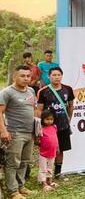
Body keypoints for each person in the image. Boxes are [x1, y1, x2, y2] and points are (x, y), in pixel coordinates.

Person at [0, 65, 37, 198]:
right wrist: (3, 131)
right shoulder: (7, 92)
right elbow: (0, 112)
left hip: (30, 132)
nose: (26, 78)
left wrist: (37, 127)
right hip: (15, 133)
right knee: (12, 163)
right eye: (22, 76)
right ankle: (13, 191)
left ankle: (21, 187)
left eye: (28, 76)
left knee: (24, 161)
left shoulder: (31, 91)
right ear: (15, 76)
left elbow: (33, 110)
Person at [36, 67, 75, 178]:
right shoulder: (43, 91)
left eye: (59, 75)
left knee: (61, 149)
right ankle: (46, 174)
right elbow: (39, 110)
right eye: (54, 75)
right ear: (49, 76)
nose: (56, 77)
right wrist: (40, 127)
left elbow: (71, 106)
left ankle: (58, 173)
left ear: (62, 76)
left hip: (63, 126)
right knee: (47, 150)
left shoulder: (68, 89)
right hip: (48, 128)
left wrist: (69, 119)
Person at [37, 109, 58, 192]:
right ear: (43, 119)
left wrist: (57, 148)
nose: (49, 121)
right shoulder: (41, 129)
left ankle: (49, 181)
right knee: (43, 168)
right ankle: (43, 182)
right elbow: (38, 139)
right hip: (43, 152)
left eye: (51, 119)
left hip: (52, 151)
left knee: (50, 167)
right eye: (47, 119)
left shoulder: (54, 127)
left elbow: (56, 138)